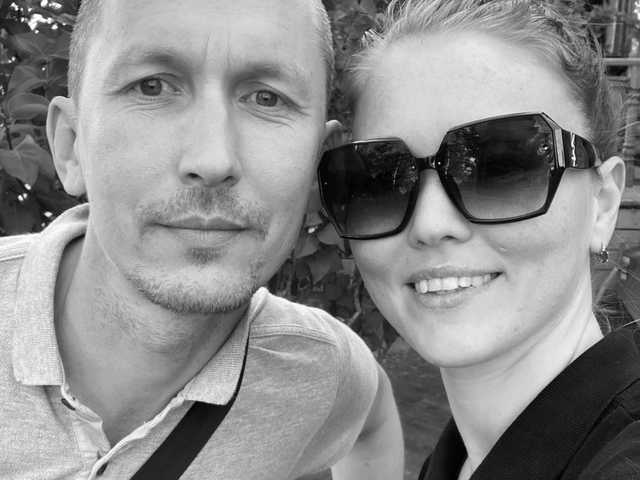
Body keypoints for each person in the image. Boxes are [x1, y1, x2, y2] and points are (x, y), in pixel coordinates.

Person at [0, 0, 404, 478]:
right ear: (71, 146)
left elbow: (374, 419)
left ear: (317, 164)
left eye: (266, 98)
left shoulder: (316, 366)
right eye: (152, 87)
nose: (213, 161)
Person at [317, 0, 635, 478]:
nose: (430, 224)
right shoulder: (464, 456)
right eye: (380, 179)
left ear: (603, 203)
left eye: (500, 169)